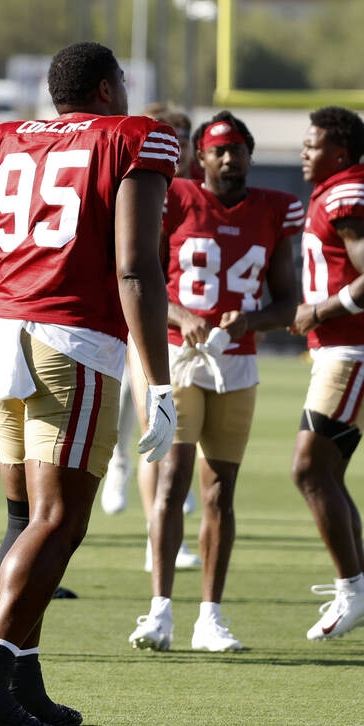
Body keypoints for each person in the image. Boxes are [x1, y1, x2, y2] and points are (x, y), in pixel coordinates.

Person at [0, 42, 178, 726]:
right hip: (69, 341)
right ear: (106, 89)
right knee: (59, 520)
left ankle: (21, 677)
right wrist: (158, 380)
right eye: (124, 81)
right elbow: (135, 270)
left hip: (0, 331)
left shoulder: (6, 139)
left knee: (24, 519)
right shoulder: (134, 137)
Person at [127, 112, 301, 652]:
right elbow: (144, 278)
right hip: (181, 358)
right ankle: (159, 610)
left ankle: (210, 617)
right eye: (219, 149)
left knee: (221, 492)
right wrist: (180, 315)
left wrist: (249, 320)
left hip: (239, 363)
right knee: (174, 478)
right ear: (199, 156)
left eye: (239, 149)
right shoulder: (175, 197)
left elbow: (288, 302)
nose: (231, 158)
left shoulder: (275, 209)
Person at [289, 106, 364, 640]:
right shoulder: (337, 190)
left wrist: (319, 311)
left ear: (339, 152)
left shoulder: (348, 194)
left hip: (354, 350)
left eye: (313, 146)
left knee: (309, 470)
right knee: (325, 473)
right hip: (342, 350)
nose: (304, 154)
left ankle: (355, 588)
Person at [101, 103, 202, 577]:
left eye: (183, 134)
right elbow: (141, 264)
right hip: (144, 315)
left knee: (165, 423)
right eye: (170, 133)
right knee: (144, 413)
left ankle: (159, 520)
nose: (177, 143)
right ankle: (132, 489)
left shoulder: (195, 186)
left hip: (186, 328)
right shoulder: (140, 179)